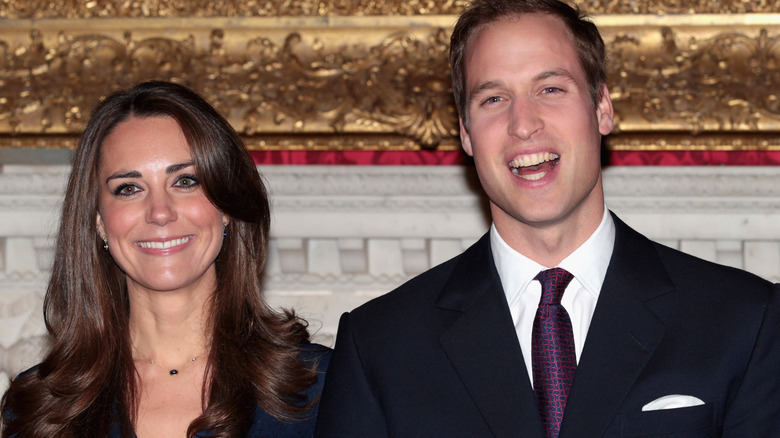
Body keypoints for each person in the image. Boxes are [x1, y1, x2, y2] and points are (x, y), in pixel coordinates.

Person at [314, 0, 780, 437]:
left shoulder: (744, 321)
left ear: (602, 108)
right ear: (465, 133)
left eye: (550, 89)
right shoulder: (380, 346)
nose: (523, 123)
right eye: (493, 99)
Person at [1, 81, 330, 438]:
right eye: (129, 188)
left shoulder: (322, 387)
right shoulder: (41, 406)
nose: (160, 212)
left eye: (186, 181)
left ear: (226, 208)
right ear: (97, 220)